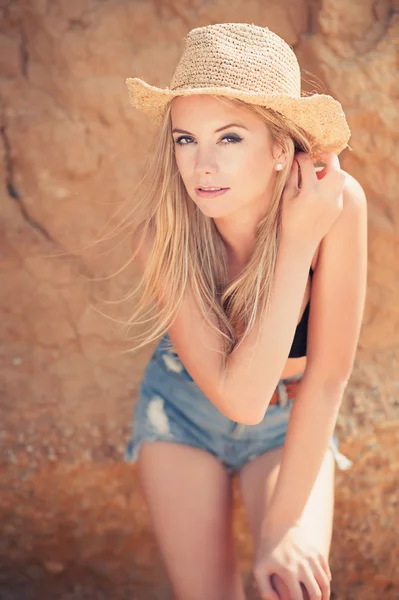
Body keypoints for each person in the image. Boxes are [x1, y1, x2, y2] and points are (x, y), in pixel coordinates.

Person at [123, 22, 367, 600]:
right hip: (180, 411)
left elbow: (328, 378)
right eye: (186, 139)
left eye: (229, 138)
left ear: (280, 147)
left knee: (293, 584)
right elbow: (240, 397)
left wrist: (283, 527)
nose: (202, 165)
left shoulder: (339, 203)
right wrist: (298, 245)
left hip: (293, 419)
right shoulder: (162, 234)